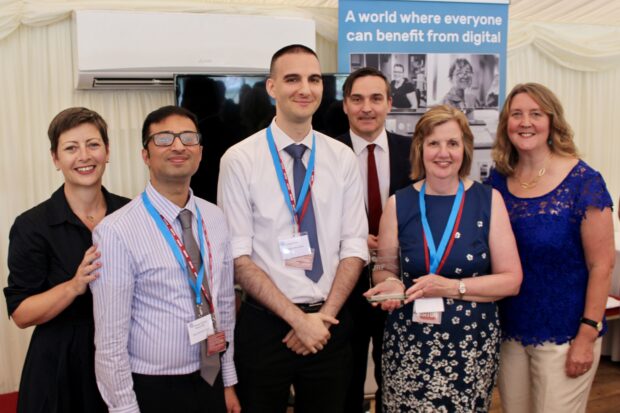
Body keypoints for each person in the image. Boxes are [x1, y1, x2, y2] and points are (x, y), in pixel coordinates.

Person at [217, 44, 368, 413]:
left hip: (328, 323)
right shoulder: (239, 160)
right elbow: (238, 256)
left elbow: (355, 246)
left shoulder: (342, 158)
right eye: (292, 79)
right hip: (266, 328)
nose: (305, 88)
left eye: (314, 79)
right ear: (271, 88)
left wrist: (320, 321)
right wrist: (298, 321)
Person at [365, 104, 522, 412]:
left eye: (452, 143)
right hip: (409, 345)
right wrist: (390, 283)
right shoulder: (399, 203)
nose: (443, 152)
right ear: (420, 148)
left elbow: (512, 280)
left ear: (465, 147)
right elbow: (384, 269)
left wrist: (450, 287)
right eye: (433, 143)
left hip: (470, 346)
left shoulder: (489, 200)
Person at [91, 106, 240, 413]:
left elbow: (224, 304)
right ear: (145, 155)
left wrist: (228, 381)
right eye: (163, 138)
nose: (177, 146)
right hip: (154, 387)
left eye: (188, 138)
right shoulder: (116, 231)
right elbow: (110, 339)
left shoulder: (215, 217)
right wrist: (124, 408)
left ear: (199, 152)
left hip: (209, 375)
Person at [487, 83, 614, 413]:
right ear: (506, 124)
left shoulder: (584, 181)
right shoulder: (498, 181)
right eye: (516, 114)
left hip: (566, 335)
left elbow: (602, 265)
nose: (525, 122)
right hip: (509, 330)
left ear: (552, 121)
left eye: (535, 114)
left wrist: (587, 334)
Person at [3, 107, 129, 413]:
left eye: (93, 145)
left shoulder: (131, 214)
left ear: (107, 151)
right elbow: (21, 313)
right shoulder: (32, 225)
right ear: (56, 159)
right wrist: (74, 285)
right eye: (71, 148)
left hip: (122, 359)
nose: (84, 156)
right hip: (59, 366)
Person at [335, 66, 412, 413]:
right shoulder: (325, 153)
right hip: (342, 287)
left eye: (376, 99)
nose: (367, 108)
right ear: (345, 105)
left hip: (398, 285)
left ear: (389, 104)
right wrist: (350, 237)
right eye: (357, 99)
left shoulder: (414, 152)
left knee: (393, 377)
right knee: (345, 382)